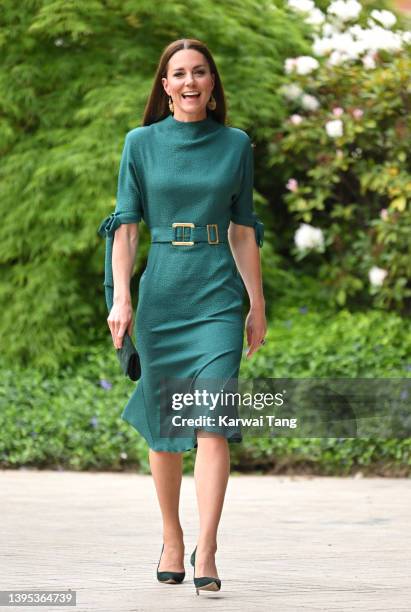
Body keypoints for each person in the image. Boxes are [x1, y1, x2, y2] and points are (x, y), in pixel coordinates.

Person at [103, 38, 266, 595]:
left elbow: (243, 229)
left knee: (212, 422)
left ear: (213, 83)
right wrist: (121, 299)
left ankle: (209, 547)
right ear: (165, 86)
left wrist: (256, 304)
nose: (191, 81)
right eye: (179, 74)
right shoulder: (140, 143)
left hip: (218, 296)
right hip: (163, 297)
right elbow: (126, 229)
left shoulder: (236, 144)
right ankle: (172, 538)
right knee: (166, 429)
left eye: (200, 72)